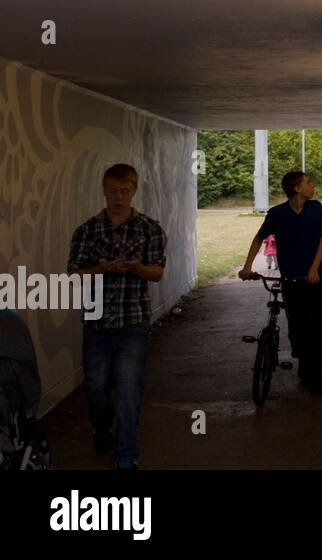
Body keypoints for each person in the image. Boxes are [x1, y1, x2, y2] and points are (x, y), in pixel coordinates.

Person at [66, 163, 167, 469]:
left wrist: (138, 269)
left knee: (128, 388)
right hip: (96, 322)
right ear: (104, 191)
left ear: (134, 190)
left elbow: (157, 272)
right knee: (95, 386)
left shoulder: (150, 229)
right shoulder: (87, 230)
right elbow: (73, 275)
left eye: (124, 191)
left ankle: (126, 454)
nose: (118, 197)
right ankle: (100, 426)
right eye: (113, 191)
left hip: (132, 321)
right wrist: (99, 270)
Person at [240, 172, 322, 395]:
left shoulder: (315, 208)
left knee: (318, 326)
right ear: (297, 188)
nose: (312, 185)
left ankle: (315, 373)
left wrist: (313, 269)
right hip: (291, 279)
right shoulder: (277, 214)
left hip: (315, 278)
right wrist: (247, 266)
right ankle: (305, 362)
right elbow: (259, 238)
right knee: (297, 325)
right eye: (308, 182)